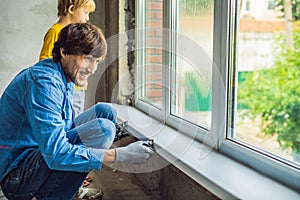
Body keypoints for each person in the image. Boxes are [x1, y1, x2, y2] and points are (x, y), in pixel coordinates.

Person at [0, 23, 154, 200]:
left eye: (96, 62)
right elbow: (55, 153)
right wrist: (119, 156)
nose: (92, 69)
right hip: (17, 178)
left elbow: (64, 129)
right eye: (87, 58)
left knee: (105, 113)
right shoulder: (43, 84)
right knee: (103, 130)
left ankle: (69, 186)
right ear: (64, 52)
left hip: (36, 154)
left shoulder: (62, 75)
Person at [39, 0, 96, 189]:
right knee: (66, 131)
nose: (87, 19)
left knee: (75, 129)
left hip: (76, 91)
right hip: (63, 92)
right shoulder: (56, 32)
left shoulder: (75, 37)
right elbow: (46, 62)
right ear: (71, 9)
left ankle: (77, 173)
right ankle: (69, 175)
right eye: (85, 13)